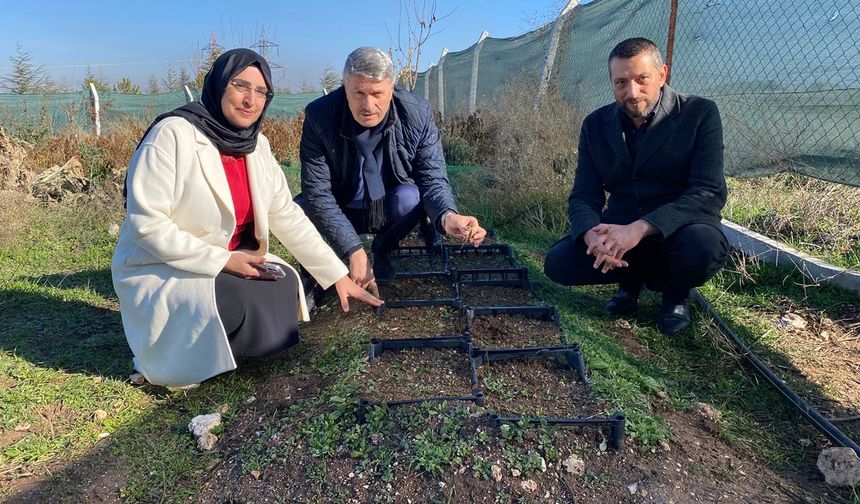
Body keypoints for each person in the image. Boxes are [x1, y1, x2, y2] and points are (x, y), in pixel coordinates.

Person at [112, 48, 382, 388]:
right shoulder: (173, 135)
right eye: (241, 86)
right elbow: (146, 224)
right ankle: (172, 363)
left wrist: (335, 275)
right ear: (220, 84)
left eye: (261, 92)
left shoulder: (257, 145)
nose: (250, 100)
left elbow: (285, 214)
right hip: (168, 265)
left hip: (235, 258)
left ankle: (227, 349)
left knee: (282, 283)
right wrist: (224, 260)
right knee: (240, 298)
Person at [543, 37, 729, 335]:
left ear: (662, 74)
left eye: (642, 79)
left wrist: (640, 228)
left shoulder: (699, 114)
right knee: (558, 263)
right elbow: (583, 195)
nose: (632, 92)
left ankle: (676, 294)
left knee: (702, 248)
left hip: (678, 230)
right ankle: (629, 283)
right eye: (620, 83)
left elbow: (708, 192)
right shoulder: (595, 124)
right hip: (619, 227)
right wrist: (591, 234)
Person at [299, 46, 486, 291]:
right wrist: (354, 250)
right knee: (299, 208)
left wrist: (447, 216)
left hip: (388, 208)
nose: (368, 104)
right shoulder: (319, 116)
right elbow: (318, 193)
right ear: (345, 87)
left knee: (411, 197)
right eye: (359, 93)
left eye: (377, 93)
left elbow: (432, 178)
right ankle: (320, 270)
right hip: (341, 203)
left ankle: (383, 248)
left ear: (391, 87)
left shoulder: (417, 114)